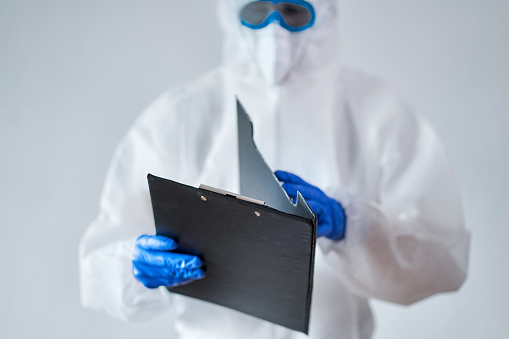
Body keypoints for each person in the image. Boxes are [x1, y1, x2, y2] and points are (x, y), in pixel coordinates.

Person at [79, 0, 471, 338]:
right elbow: (99, 263)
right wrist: (134, 266)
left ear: (325, 13)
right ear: (232, 12)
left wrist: (352, 227)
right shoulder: (179, 118)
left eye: (293, 10)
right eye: (257, 10)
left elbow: (443, 262)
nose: (274, 29)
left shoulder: (376, 112)